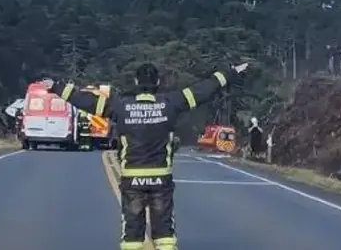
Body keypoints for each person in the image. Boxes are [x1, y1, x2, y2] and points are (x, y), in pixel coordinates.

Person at [46, 62, 249, 250]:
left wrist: (56, 87)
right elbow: (203, 90)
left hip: (132, 178)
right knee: (164, 232)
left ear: (136, 82)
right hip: (161, 178)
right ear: (158, 82)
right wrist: (229, 73)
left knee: (132, 233)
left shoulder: (120, 105)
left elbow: (86, 101)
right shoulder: (172, 102)